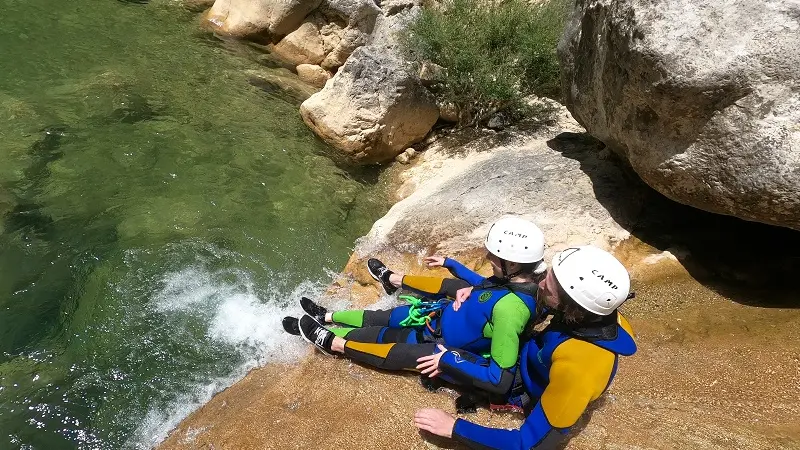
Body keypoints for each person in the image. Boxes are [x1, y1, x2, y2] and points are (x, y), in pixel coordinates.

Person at [282, 216, 547, 397]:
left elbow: (500, 380)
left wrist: (448, 360)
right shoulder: (510, 283)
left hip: (439, 347)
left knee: (381, 343)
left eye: (494, 256)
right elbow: (486, 288)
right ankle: (325, 316)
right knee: (381, 318)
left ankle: (330, 342)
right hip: (435, 318)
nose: (488, 257)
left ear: (513, 265)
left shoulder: (512, 310)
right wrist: (453, 266)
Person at [411, 245, 637, 449]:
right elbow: (533, 298)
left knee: (443, 359)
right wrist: (480, 291)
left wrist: (454, 428)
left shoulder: (578, 371)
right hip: (534, 360)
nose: (539, 286)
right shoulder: (597, 314)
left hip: (525, 389)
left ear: (571, 305)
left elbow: (528, 444)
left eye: (547, 288)